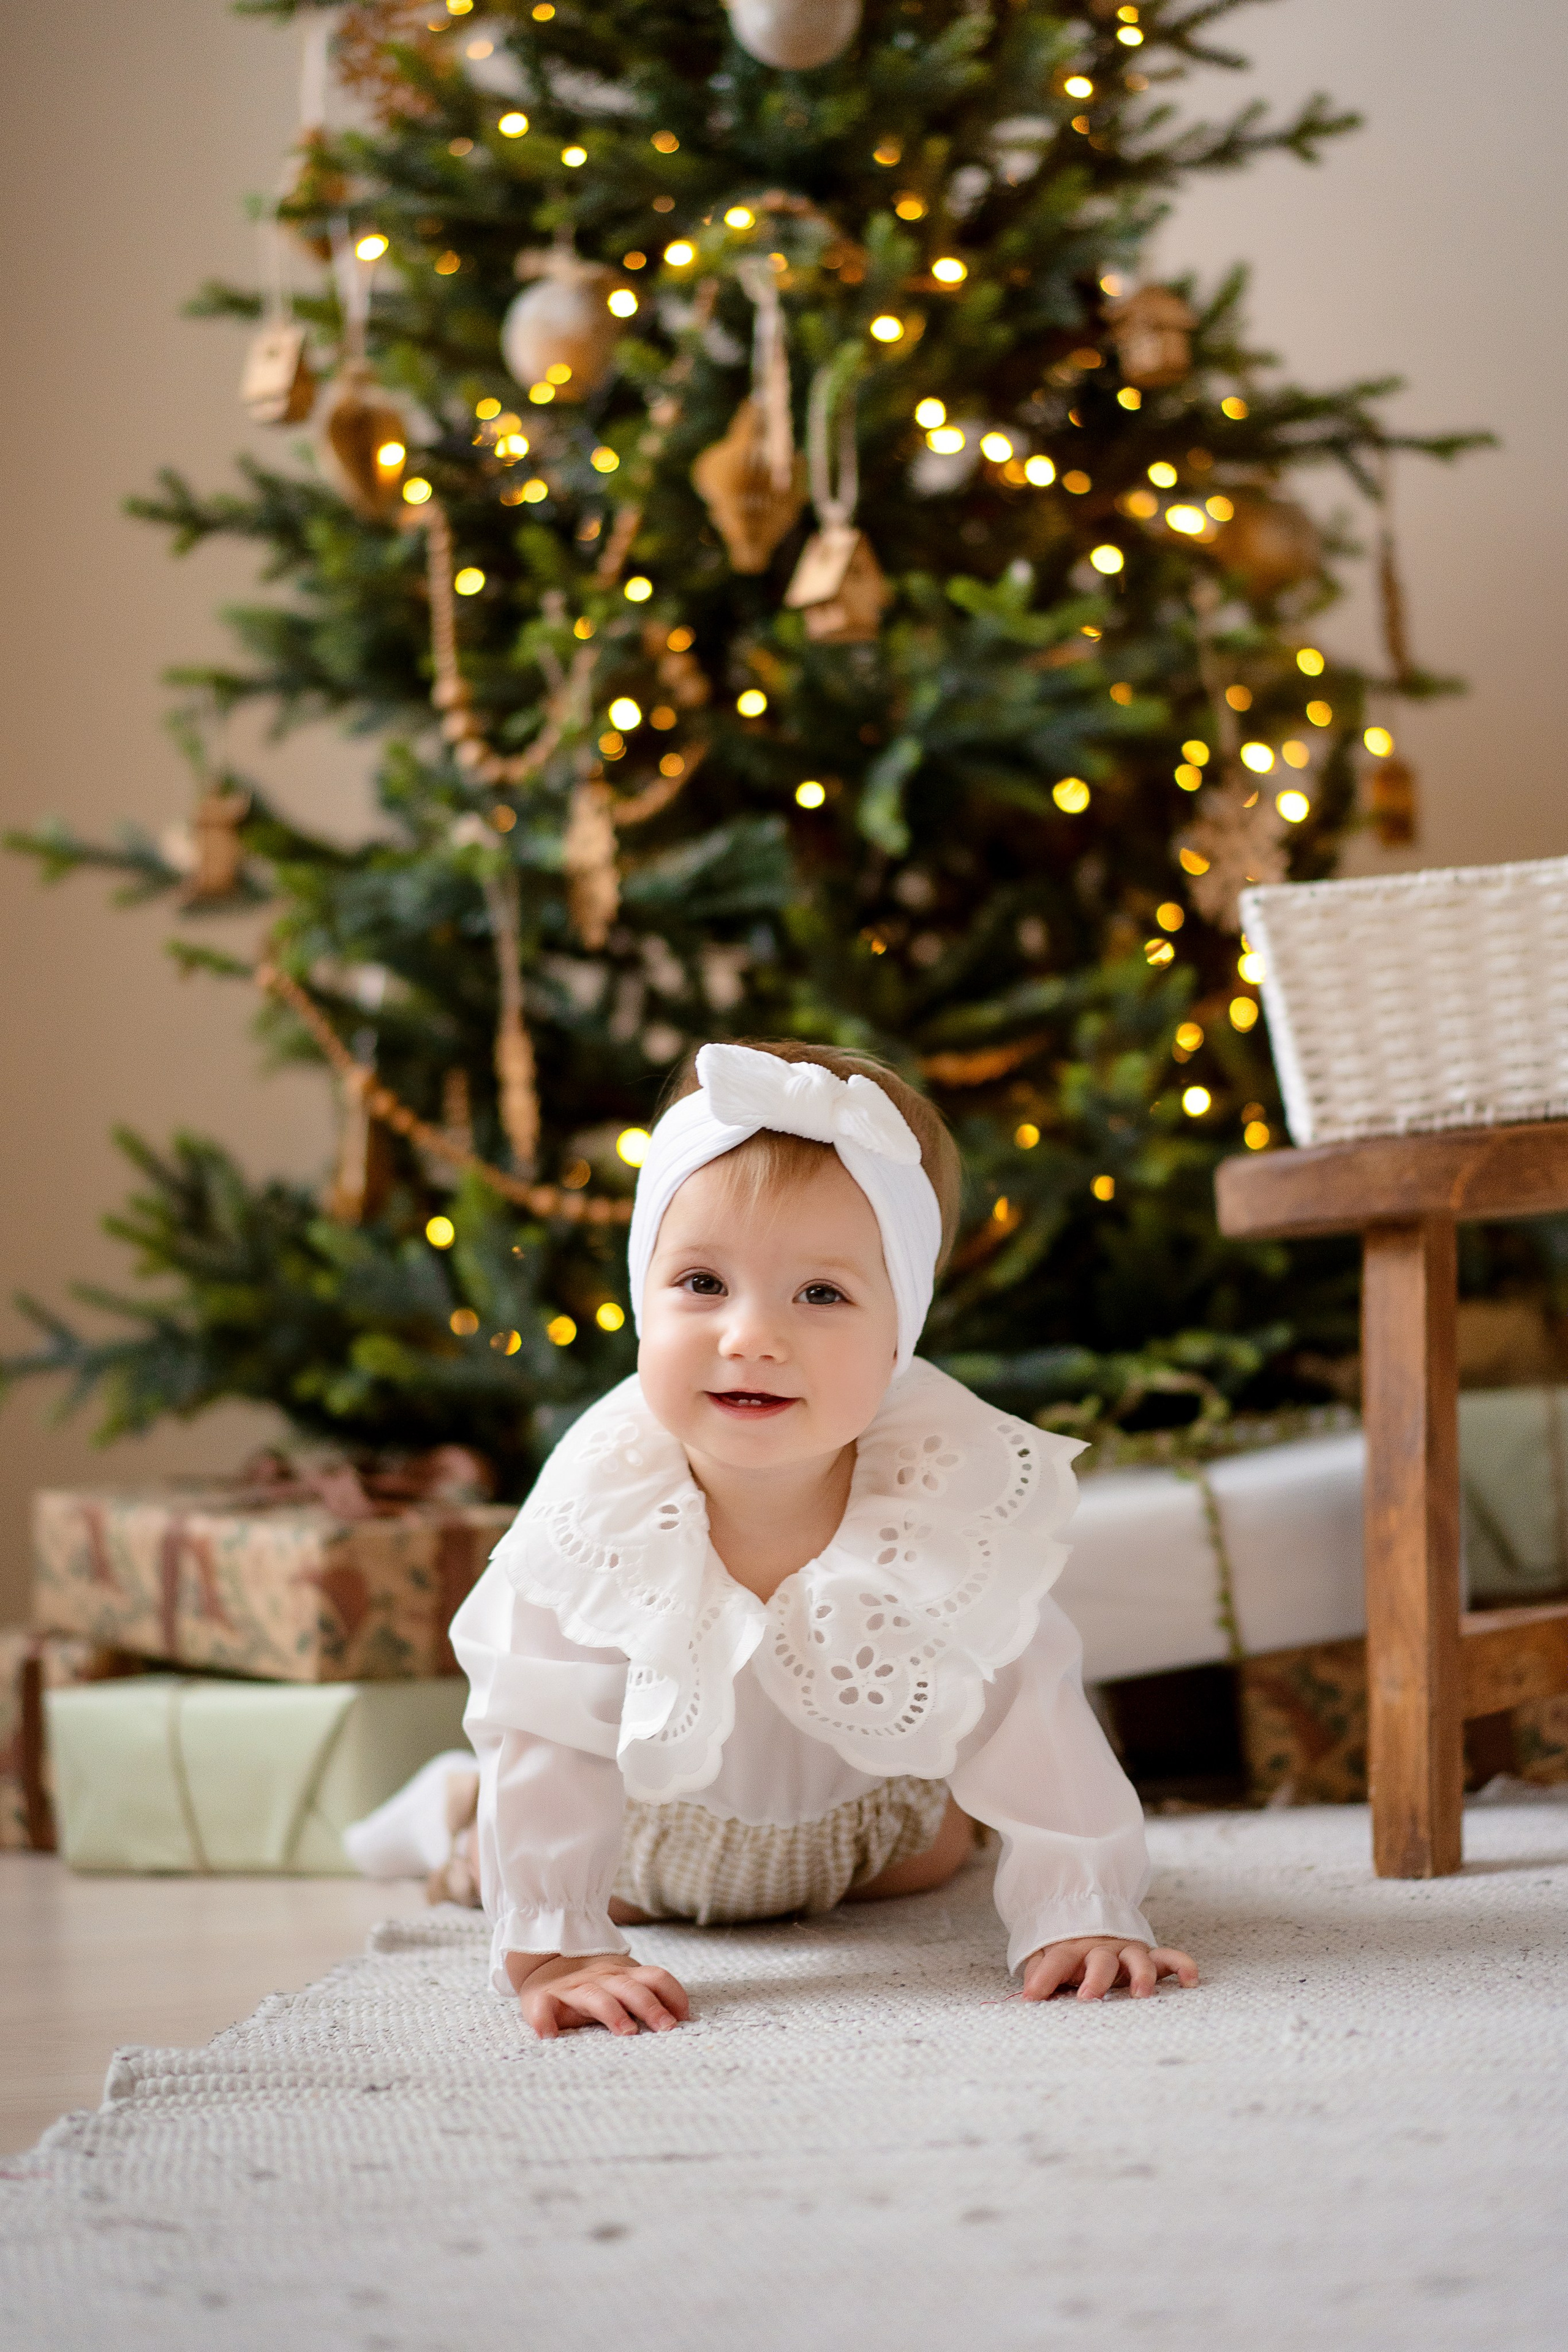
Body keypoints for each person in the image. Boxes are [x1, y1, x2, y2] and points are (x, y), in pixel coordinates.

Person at [451, 1039, 1197, 2038]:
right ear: (641, 1296)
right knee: (502, 1847)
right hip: (649, 1844)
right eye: (703, 1284)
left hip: (873, 1841)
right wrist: (558, 1943)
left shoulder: (941, 1492)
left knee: (942, 1847)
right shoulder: (599, 1507)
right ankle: (445, 1818)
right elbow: (542, 1718)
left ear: (901, 1336)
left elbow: (1032, 1708)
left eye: (821, 1295)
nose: (751, 1336)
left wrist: (1081, 1909)